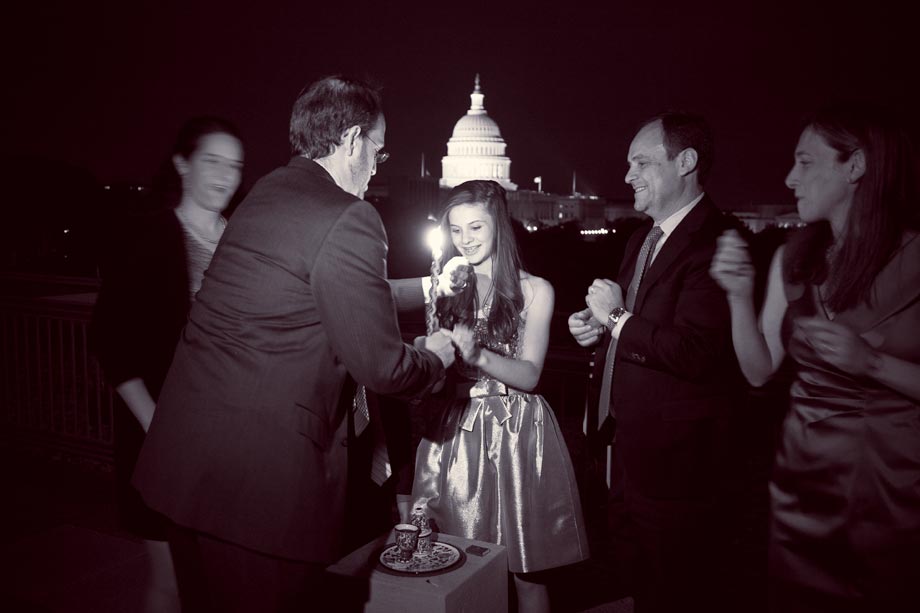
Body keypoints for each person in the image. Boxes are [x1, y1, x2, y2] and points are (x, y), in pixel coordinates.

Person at [131, 75, 455, 612]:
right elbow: (383, 368)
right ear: (352, 141)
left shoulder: (267, 192)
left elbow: (323, 287)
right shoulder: (351, 216)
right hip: (259, 493)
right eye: (378, 149)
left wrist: (426, 288)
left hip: (186, 470)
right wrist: (438, 355)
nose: (378, 164)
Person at [710, 104, 920, 613]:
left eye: (805, 163)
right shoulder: (794, 259)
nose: (789, 178)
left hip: (894, 489)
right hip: (801, 484)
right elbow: (759, 370)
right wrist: (739, 295)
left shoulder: (916, 260)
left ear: (857, 166)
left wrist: (872, 366)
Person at [568, 112, 746, 612]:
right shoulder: (640, 240)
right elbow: (637, 328)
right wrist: (596, 327)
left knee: (678, 589)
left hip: (679, 466)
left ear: (685, 162)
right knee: (641, 582)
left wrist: (617, 315)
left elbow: (697, 352)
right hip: (628, 451)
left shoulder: (717, 242)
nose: (627, 176)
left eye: (641, 163)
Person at [412, 180, 589, 613]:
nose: (465, 239)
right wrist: (425, 354)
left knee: (525, 571)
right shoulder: (445, 287)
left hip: (515, 434)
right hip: (454, 433)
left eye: (475, 227)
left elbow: (529, 375)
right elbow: (435, 368)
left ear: (500, 228)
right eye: (455, 230)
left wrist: (479, 356)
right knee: (449, 564)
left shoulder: (536, 290)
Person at [90, 116, 243, 612]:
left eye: (235, 165)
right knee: (171, 581)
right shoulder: (149, 235)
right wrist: (157, 426)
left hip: (233, 440)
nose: (224, 175)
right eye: (212, 161)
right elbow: (111, 341)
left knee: (226, 581)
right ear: (183, 164)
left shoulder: (243, 240)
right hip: (163, 442)